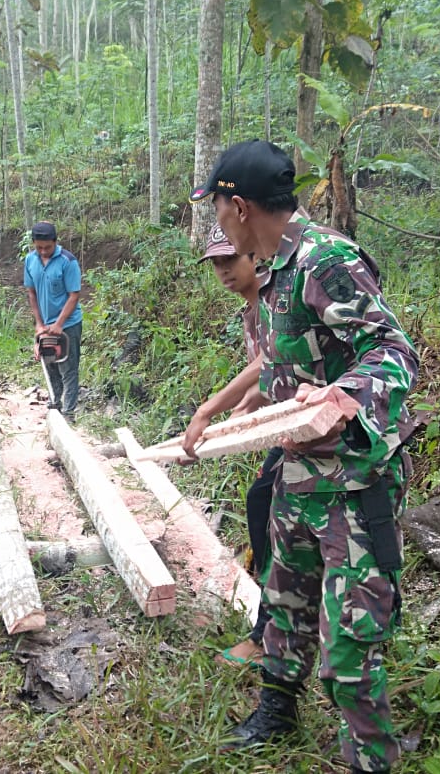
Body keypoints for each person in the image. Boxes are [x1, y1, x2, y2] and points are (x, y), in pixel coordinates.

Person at [188, 140, 419, 774]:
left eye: (217, 213)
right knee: (285, 606)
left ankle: (371, 759)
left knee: (347, 646)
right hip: (297, 476)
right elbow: (282, 366)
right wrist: (232, 411)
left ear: (238, 207)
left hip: (352, 486)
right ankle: (276, 710)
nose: (220, 228)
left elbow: (397, 352)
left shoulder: (325, 260)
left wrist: (342, 394)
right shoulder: (277, 275)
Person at [183, 223, 280, 668]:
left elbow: (271, 359)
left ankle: (268, 634)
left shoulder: (276, 300)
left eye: (229, 261)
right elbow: (266, 378)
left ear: (252, 258)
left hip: (322, 429)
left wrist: (210, 410)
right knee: (263, 506)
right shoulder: (250, 311)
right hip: (292, 430)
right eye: (216, 264)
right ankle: (277, 625)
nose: (223, 271)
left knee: (265, 506)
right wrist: (243, 408)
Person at [23, 221, 83, 420]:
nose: (43, 251)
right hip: (45, 325)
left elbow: (74, 295)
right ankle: (55, 404)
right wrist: (39, 325)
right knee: (50, 365)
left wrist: (59, 324)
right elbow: (31, 293)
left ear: (55, 242)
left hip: (68, 324)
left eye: (47, 247)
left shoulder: (68, 261)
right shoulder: (30, 260)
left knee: (68, 368)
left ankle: (69, 413)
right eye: (38, 247)